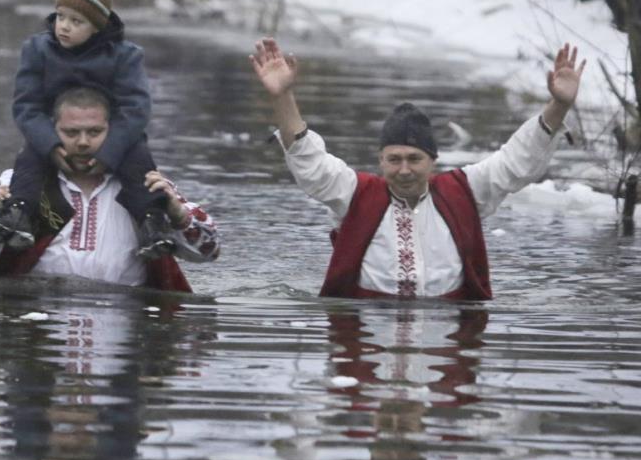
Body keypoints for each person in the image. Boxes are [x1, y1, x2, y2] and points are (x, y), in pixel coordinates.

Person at [250, 37, 585, 300]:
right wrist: (283, 97)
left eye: (415, 159)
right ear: (381, 160)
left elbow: (518, 161)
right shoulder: (355, 193)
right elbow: (309, 161)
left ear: (432, 161)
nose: (405, 170)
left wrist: (559, 105)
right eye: (394, 160)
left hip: (448, 339)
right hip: (364, 337)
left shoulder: (464, 191)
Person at [0, 0, 174, 259]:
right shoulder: (37, 50)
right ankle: (18, 215)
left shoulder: (124, 55)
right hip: (53, 132)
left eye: (76, 21)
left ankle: (152, 223)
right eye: (61, 16)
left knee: (139, 162)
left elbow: (136, 109)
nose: (64, 27)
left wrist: (110, 152)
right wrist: (50, 144)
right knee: (29, 160)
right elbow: (26, 106)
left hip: (113, 135)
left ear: (98, 27)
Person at [0, 87, 219, 292]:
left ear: (112, 132)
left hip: (129, 326)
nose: (82, 143)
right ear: (50, 132)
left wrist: (179, 216)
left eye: (94, 132)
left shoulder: (145, 185)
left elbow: (210, 252)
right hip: (32, 327)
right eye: (71, 133)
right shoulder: (19, 185)